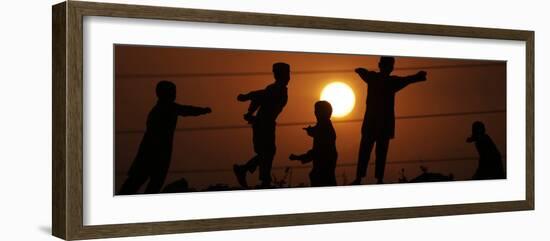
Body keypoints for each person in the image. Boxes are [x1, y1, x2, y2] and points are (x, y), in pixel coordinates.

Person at [118, 80, 212, 195]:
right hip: (154, 154)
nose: (174, 94)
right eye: (172, 92)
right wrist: (203, 110)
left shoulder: (160, 109)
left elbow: (185, 110)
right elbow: (186, 110)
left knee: (141, 185)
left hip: (153, 154)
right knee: (138, 185)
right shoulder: (165, 109)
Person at [350, 56, 427, 185]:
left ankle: (362, 178)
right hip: (382, 125)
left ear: (380, 65)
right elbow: (407, 80)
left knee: (366, 151)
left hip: (373, 123)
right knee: (378, 152)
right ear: (391, 67)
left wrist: (359, 71)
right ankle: (375, 179)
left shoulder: (375, 78)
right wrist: (418, 77)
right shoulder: (389, 81)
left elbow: (362, 72)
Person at [233, 62, 290, 188]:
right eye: (286, 73)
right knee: (267, 152)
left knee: (266, 152)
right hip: (263, 124)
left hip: (266, 123)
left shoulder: (276, 89)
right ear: (279, 75)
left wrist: (249, 111)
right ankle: (261, 179)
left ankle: (247, 171)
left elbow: (260, 98)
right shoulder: (275, 89)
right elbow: (260, 96)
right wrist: (247, 99)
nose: (288, 77)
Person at [289, 101, 338, 187]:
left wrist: (298, 157)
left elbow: (317, 152)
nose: (315, 113)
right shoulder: (324, 127)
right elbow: (316, 131)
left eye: (317, 111)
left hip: (323, 174)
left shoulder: (324, 129)